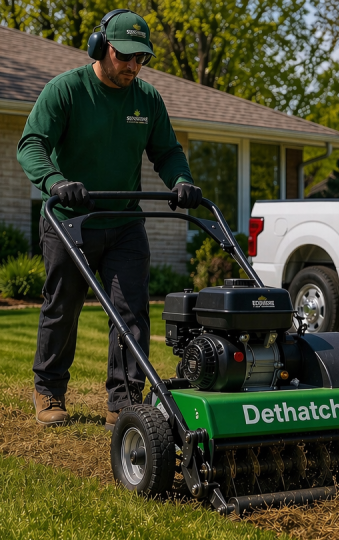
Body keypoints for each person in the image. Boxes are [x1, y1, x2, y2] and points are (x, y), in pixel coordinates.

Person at [17, 8, 202, 428]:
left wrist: (182, 181)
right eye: (125, 56)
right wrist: (56, 181)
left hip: (124, 222)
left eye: (141, 58)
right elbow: (31, 145)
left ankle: (124, 401)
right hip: (70, 220)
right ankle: (49, 390)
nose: (133, 66)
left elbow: (167, 153)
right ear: (100, 47)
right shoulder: (66, 90)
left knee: (131, 312)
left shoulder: (147, 99)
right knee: (62, 307)